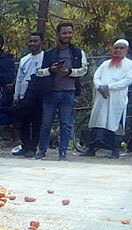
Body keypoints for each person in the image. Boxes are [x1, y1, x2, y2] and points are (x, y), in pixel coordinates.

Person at [35, 22, 88, 161]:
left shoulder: (77, 52)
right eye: (64, 33)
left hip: (69, 93)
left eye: (69, 33)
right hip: (51, 92)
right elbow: (39, 72)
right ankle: (42, 151)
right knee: (46, 124)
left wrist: (70, 72)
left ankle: (63, 152)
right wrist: (51, 70)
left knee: (66, 125)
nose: (67, 35)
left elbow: (84, 70)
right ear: (58, 34)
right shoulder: (48, 53)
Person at [82, 39, 132, 159]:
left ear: (127, 51)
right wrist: (99, 87)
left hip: (117, 100)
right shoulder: (105, 64)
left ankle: (115, 150)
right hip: (101, 98)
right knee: (97, 120)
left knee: (115, 122)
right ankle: (91, 149)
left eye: (121, 48)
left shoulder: (131, 65)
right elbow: (96, 77)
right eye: (116, 48)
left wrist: (108, 87)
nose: (118, 50)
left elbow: (127, 81)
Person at [12, 31, 45, 157]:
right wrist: (16, 96)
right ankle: (25, 146)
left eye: (35, 41)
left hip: (38, 96)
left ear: (41, 42)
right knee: (23, 123)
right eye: (30, 41)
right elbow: (19, 79)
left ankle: (33, 147)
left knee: (36, 122)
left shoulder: (45, 57)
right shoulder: (24, 59)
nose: (32, 44)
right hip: (24, 95)